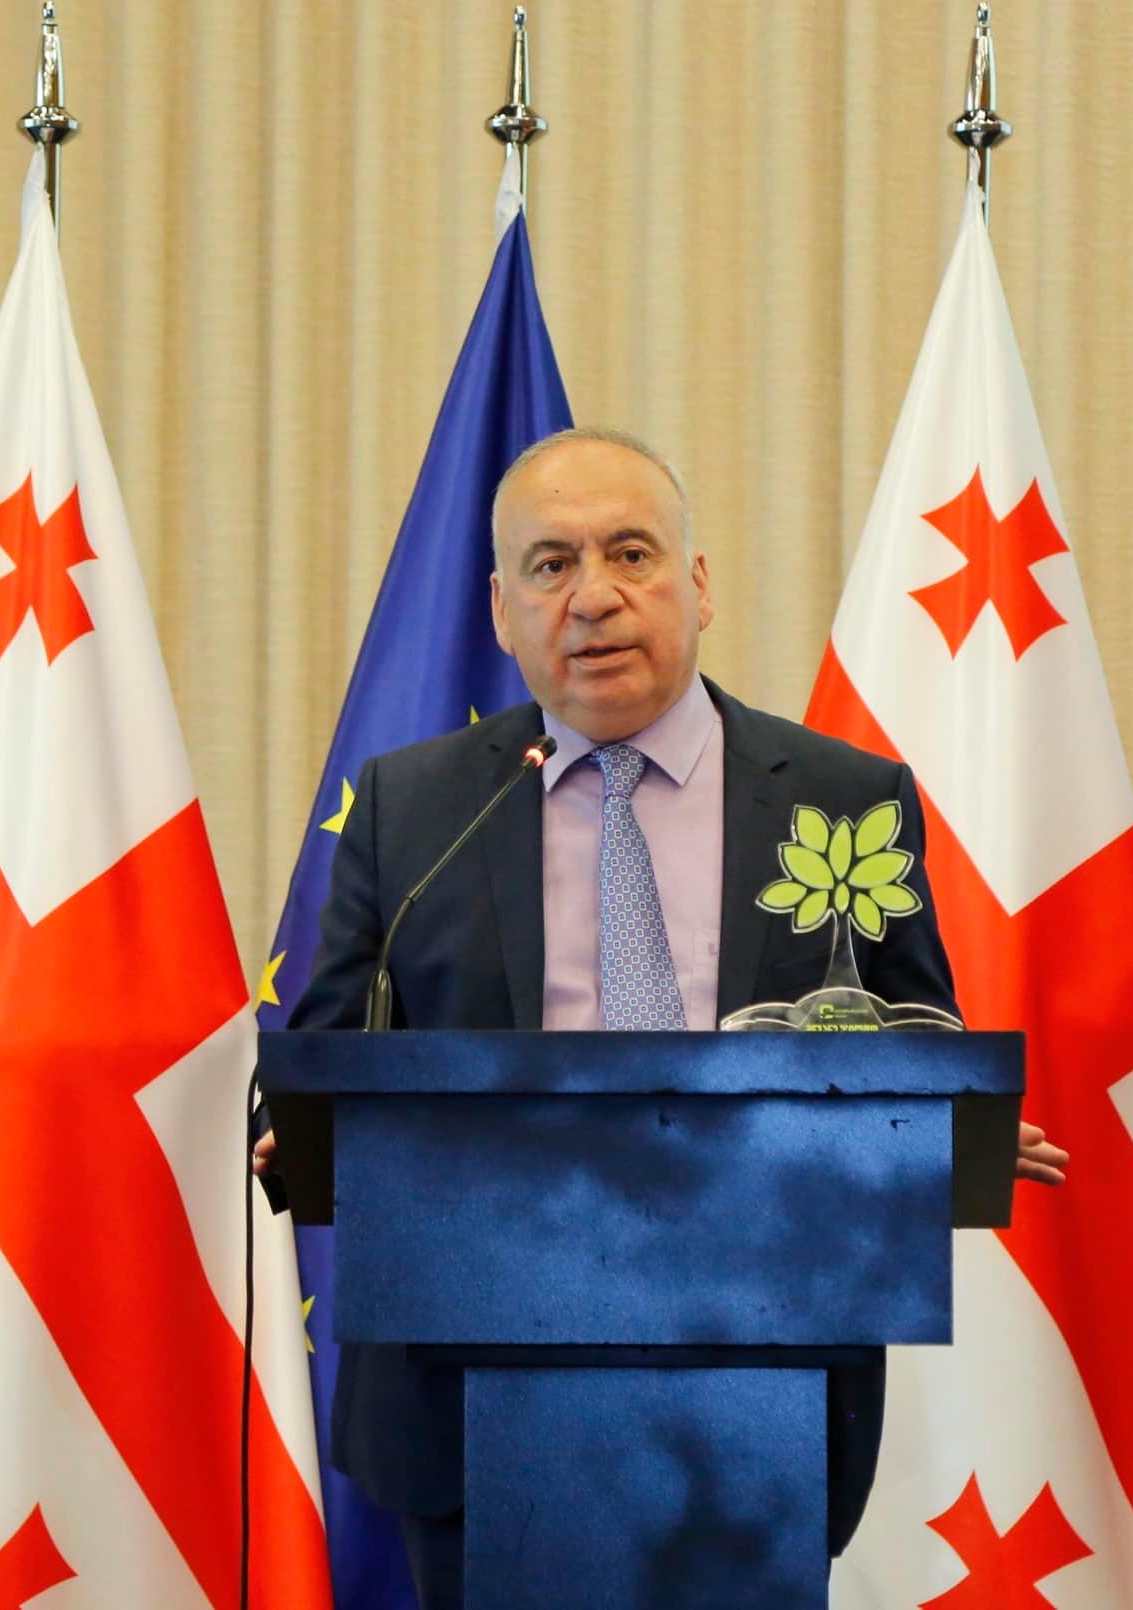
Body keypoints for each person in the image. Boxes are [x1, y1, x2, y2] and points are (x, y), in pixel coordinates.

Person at [256, 427, 1068, 1610]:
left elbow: (908, 1034)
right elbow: (333, 1050)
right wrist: (308, 1130)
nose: (592, 596)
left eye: (629, 552)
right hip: (468, 1385)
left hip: (762, 1380)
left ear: (697, 582)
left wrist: (939, 1132)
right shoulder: (414, 807)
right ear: (500, 610)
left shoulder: (842, 798)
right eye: (549, 564)